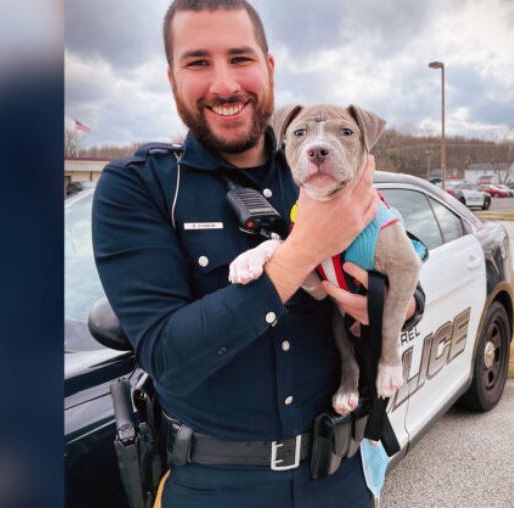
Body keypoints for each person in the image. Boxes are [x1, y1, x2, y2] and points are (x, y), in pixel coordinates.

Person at [92, 0, 423, 506]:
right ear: (172, 77)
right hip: (212, 487)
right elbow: (166, 357)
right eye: (198, 62)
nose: (225, 84)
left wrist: (392, 306)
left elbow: (403, 273)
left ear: (269, 67)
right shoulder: (140, 186)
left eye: (240, 58)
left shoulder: (325, 167)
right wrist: (305, 249)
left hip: (337, 476)